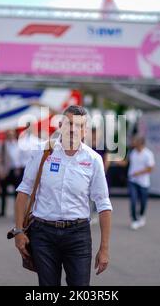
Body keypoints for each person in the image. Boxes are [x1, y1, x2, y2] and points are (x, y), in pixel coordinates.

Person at [12, 105, 113, 286]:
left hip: (78, 235)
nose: (73, 129)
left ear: (85, 130)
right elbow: (24, 191)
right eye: (69, 123)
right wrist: (19, 230)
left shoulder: (93, 160)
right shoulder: (43, 151)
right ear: (60, 125)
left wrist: (104, 248)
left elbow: (103, 204)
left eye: (79, 125)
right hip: (43, 234)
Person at [127, 135, 155, 230]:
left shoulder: (148, 154)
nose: (134, 143)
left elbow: (151, 168)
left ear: (141, 143)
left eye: (136, 141)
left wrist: (138, 172)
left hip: (143, 182)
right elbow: (128, 163)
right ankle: (134, 220)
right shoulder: (133, 153)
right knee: (133, 200)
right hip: (132, 181)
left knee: (143, 202)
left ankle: (142, 215)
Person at [0, 129, 24, 218]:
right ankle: (2, 211)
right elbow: (0, 159)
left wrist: (19, 167)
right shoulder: (3, 145)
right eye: (9, 134)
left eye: (12, 134)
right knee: (3, 192)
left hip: (16, 170)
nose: (10, 136)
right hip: (6, 171)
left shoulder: (18, 144)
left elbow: (20, 157)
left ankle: (17, 211)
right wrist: (1, 171)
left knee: (16, 193)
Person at [89, 126, 109, 225]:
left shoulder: (102, 145)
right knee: (87, 194)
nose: (94, 135)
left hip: (99, 173)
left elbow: (107, 158)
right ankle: (88, 213)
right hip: (88, 172)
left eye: (96, 134)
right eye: (93, 133)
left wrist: (104, 171)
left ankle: (95, 213)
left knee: (98, 194)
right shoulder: (87, 144)